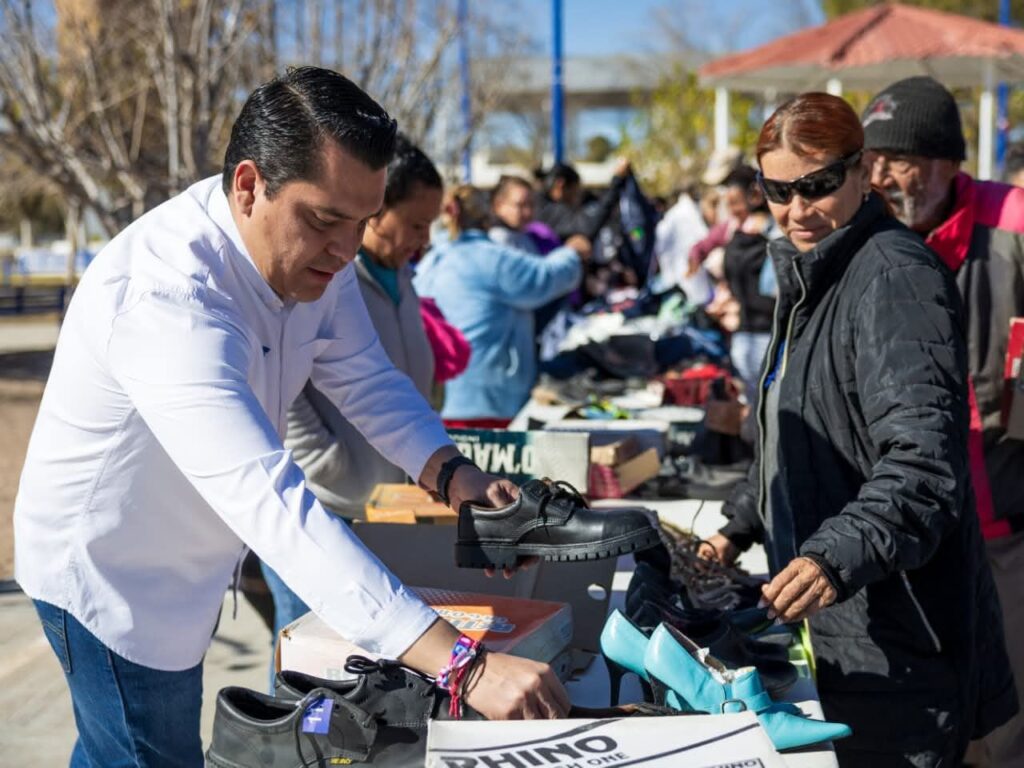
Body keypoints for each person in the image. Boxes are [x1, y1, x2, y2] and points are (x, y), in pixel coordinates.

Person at [14, 67, 569, 767]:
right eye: (326, 221)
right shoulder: (166, 298)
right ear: (249, 186)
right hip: (113, 575)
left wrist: (452, 473)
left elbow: (366, 377)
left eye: (362, 223)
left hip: (184, 559)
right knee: (144, 751)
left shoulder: (310, 254)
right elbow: (271, 503)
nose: (347, 250)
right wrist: (465, 667)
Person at [701, 92, 1017, 765]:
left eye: (816, 185)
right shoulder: (814, 270)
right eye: (777, 191)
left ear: (862, 171)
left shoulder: (894, 275)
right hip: (844, 635)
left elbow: (923, 468)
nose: (797, 209)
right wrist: (740, 524)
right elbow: (800, 429)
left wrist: (830, 558)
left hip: (901, 646)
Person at [863, 75, 1024, 767]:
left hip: (1004, 523)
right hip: (903, 531)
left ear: (946, 164)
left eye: (897, 161)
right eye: (871, 160)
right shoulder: (865, 232)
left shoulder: (1012, 223)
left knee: (1003, 727)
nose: (880, 177)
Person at [257, 134, 450, 685]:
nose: (425, 239)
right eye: (415, 224)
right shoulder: (326, 278)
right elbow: (287, 390)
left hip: (384, 507)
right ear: (375, 210)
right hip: (321, 509)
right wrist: (332, 469)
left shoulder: (402, 276)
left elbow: (384, 382)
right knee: (305, 661)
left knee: (358, 669)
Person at [414, 185, 588, 425]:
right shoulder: (490, 258)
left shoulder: (431, 260)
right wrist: (572, 253)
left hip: (440, 399)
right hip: (488, 401)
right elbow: (543, 278)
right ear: (489, 217)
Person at [719, 165, 777, 402]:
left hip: (768, 335)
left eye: (736, 202)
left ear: (755, 196)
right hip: (744, 334)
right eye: (728, 204)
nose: (732, 210)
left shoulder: (775, 234)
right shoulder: (733, 231)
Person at [535, 159, 631, 243]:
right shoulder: (544, 209)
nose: (577, 196)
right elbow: (588, 227)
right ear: (561, 184)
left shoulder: (542, 204)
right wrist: (617, 180)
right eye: (575, 190)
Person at [489, 174, 539, 253]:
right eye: (520, 205)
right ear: (499, 206)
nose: (528, 212)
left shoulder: (526, 238)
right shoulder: (495, 243)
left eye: (531, 205)